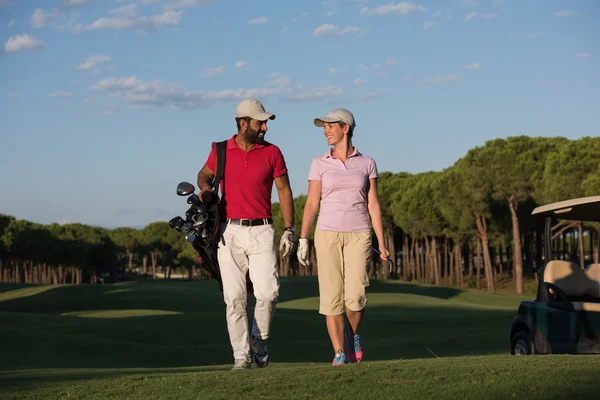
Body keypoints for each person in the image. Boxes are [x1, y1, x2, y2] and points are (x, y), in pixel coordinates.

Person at [196, 98, 296, 370]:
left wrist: (289, 229)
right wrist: (206, 190)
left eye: (265, 122)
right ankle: (241, 357)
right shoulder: (220, 151)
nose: (264, 127)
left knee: (268, 293)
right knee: (235, 299)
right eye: (259, 122)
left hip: (263, 230)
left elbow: (284, 191)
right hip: (229, 232)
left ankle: (259, 340)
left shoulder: (272, 152)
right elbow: (203, 175)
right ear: (243, 123)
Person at [296, 108, 389, 366]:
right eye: (324, 127)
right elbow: (312, 203)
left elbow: (373, 204)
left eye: (329, 126)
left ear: (345, 128)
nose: (325, 131)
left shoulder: (367, 163)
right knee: (331, 297)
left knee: (355, 297)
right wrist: (304, 238)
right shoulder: (319, 163)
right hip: (327, 234)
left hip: (359, 234)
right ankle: (339, 352)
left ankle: (353, 334)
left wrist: (381, 242)